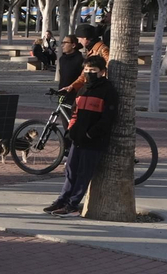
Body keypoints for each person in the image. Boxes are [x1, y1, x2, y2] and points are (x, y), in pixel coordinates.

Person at [46, 55, 117, 216]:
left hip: (94, 141)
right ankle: (62, 200)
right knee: (71, 170)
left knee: (84, 174)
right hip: (77, 138)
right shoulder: (83, 89)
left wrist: (91, 134)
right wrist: (71, 130)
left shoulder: (108, 91)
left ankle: (72, 205)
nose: (89, 73)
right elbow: (74, 112)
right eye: (86, 70)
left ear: (103, 72)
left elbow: (108, 119)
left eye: (93, 70)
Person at [61, 24, 109, 94]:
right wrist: (72, 86)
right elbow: (84, 74)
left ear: (86, 38)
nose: (79, 42)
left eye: (79, 39)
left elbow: (110, 68)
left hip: (99, 88)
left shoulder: (102, 49)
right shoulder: (90, 50)